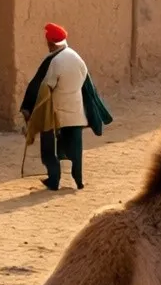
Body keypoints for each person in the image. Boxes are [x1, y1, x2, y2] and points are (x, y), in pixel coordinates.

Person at [19, 22, 112, 191]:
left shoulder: (55, 61)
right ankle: (77, 180)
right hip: (77, 113)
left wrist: (32, 109)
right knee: (74, 149)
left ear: (53, 43)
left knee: (54, 148)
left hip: (58, 114)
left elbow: (45, 87)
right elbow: (87, 86)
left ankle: (55, 179)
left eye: (48, 43)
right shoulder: (77, 58)